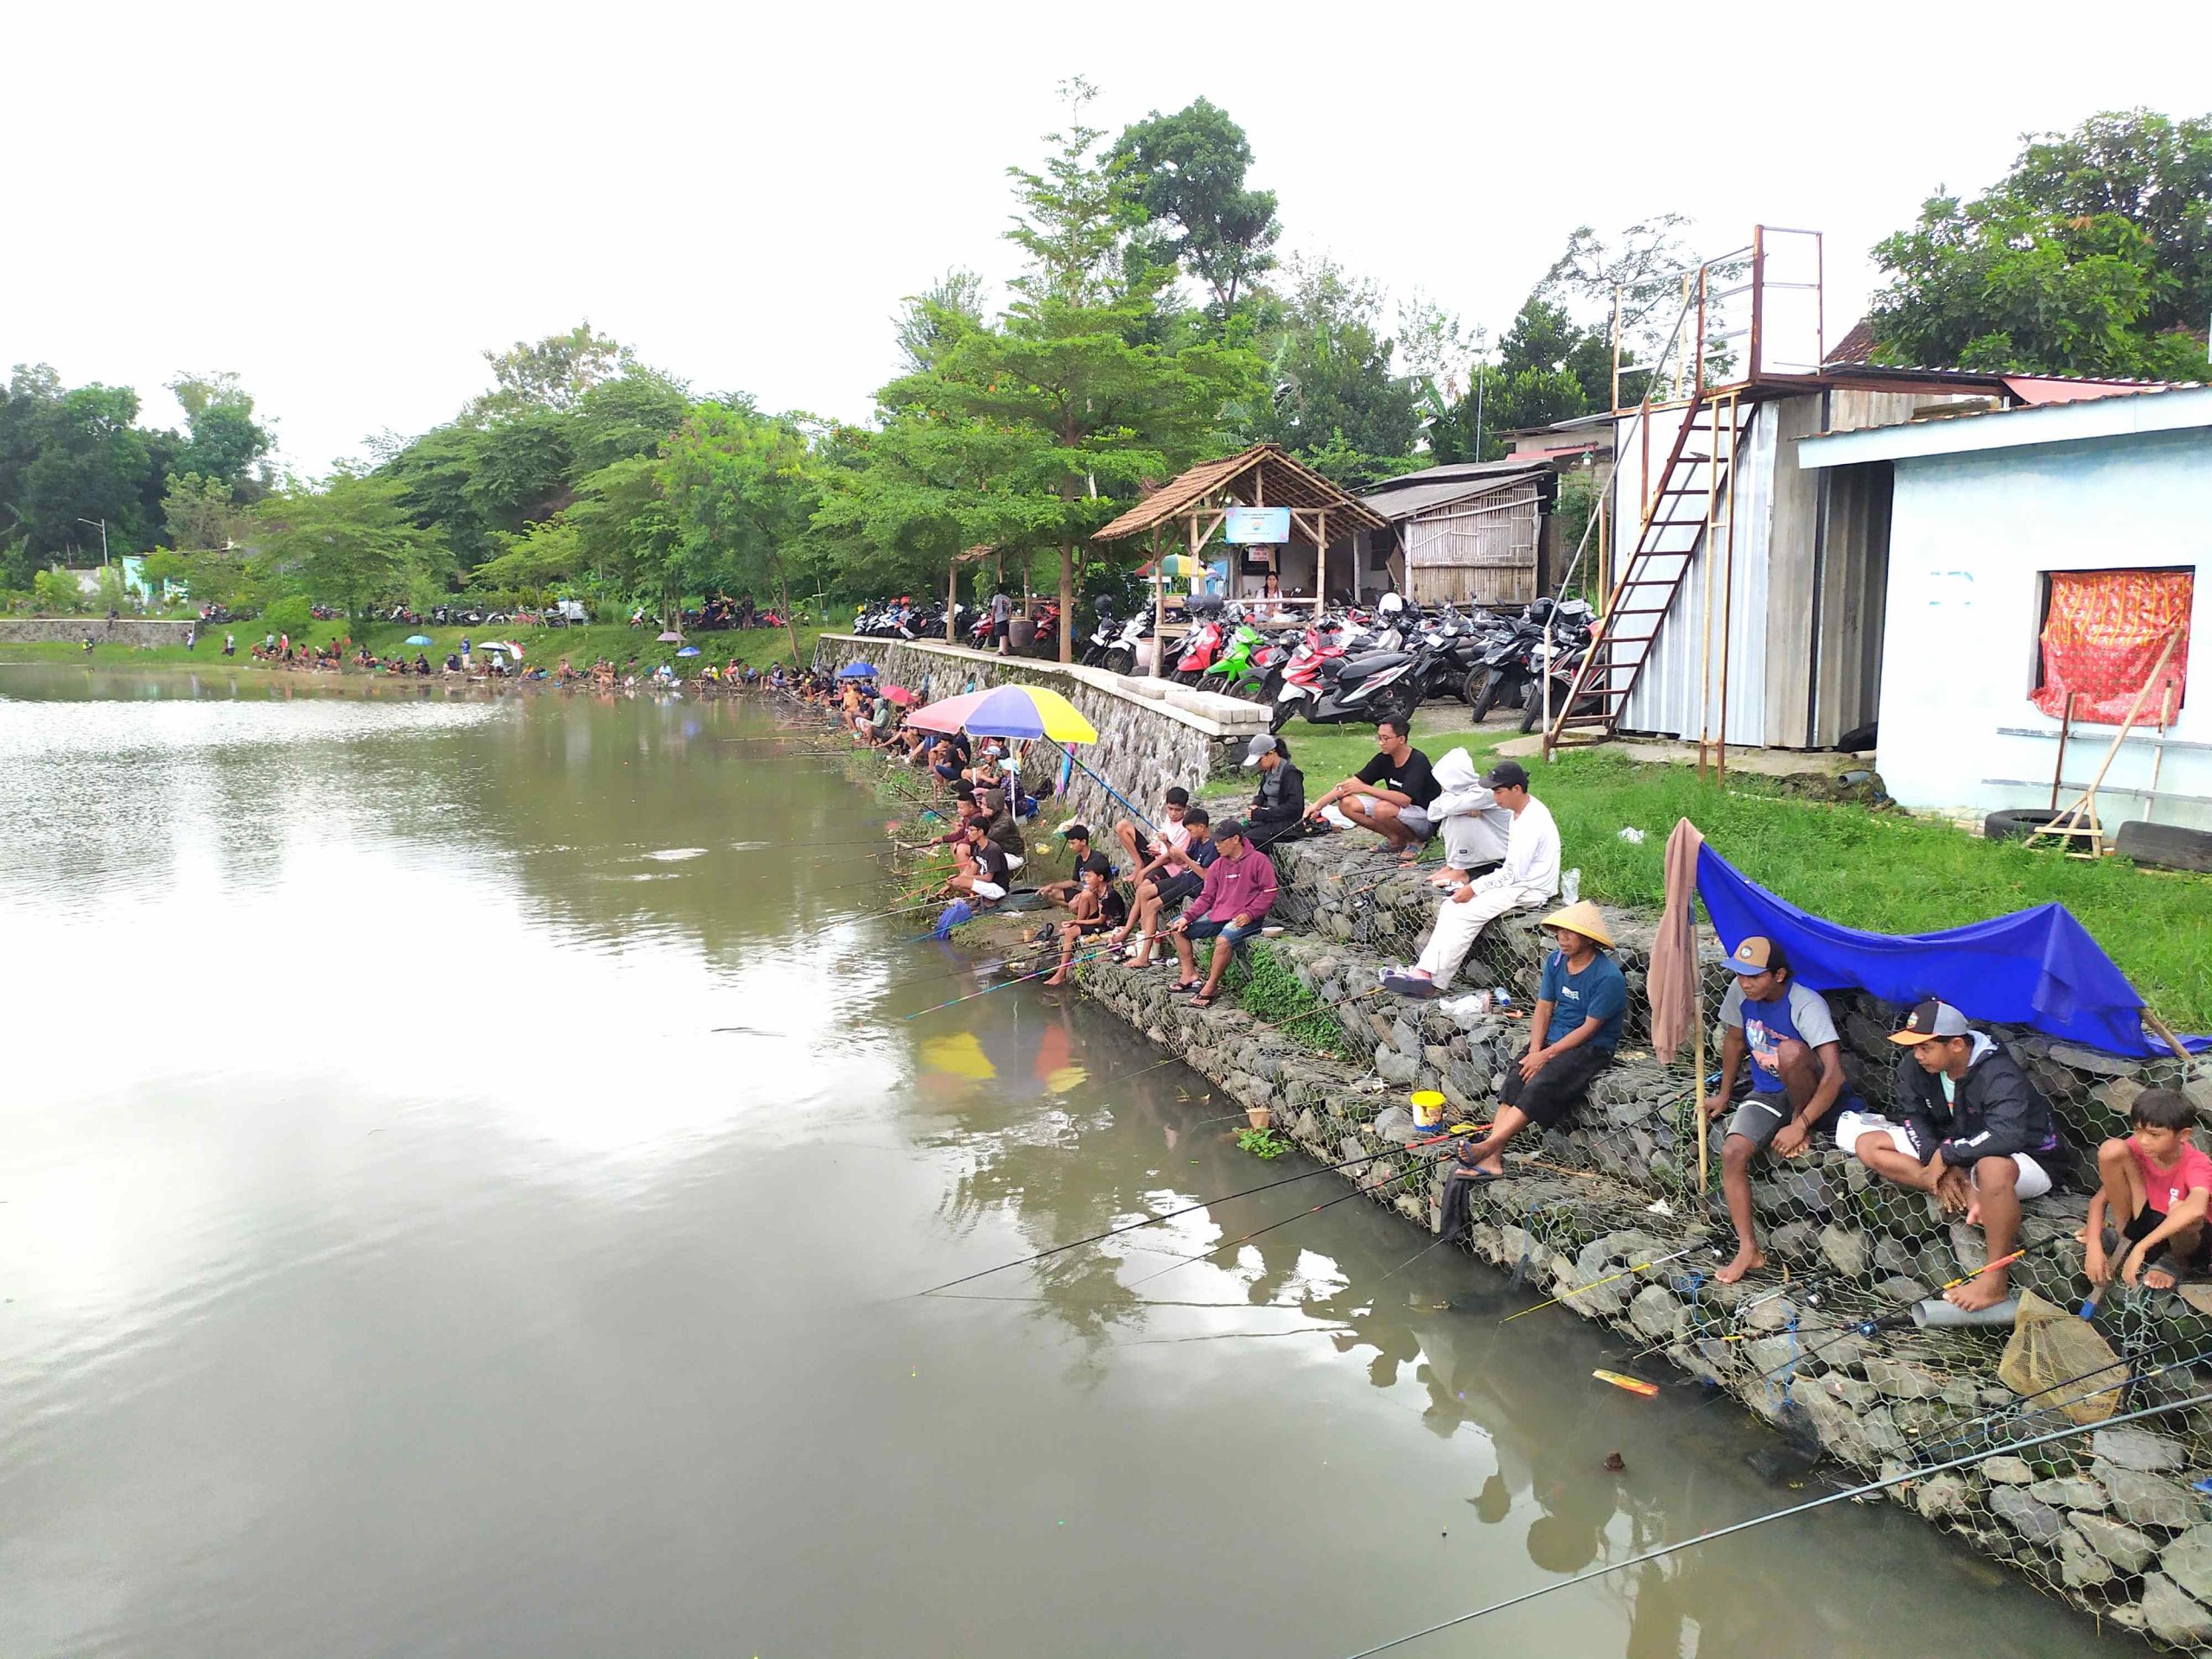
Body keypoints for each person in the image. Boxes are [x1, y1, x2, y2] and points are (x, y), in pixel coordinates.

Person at [1840, 998, 2074, 1312]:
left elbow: (2008, 1135)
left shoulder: (1998, 1073)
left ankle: (1994, 1280)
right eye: (1915, 1048)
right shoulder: (1915, 1067)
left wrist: (1949, 1154)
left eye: (1926, 1047)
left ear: (1957, 1045)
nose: (1917, 1056)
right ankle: (1939, 1183)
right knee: (1868, 1144)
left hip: (2026, 1158)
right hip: (1957, 1151)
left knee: (1992, 1168)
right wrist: (1938, 1163)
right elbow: (1913, 1116)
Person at [1700, 937, 1857, 1284]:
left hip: (1813, 1096)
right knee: (1732, 1151)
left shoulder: (1805, 1003)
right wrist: (1724, 1095)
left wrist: (1800, 1123)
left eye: (1755, 976)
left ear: (1780, 974)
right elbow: (1735, 1041)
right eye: (1741, 974)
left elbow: (1834, 1073)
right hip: (1769, 1092)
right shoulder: (1741, 994)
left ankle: (1802, 1128)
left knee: (1789, 1052)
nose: (1745, 982)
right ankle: (1748, 1249)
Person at [1441, 902, 1624, 1180]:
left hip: (1590, 1047)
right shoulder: (1555, 961)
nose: (1562, 938)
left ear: (1588, 938)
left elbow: (1589, 1028)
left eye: (1570, 933)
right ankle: (1492, 1157)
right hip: (1551, 1039)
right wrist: (1536, 1049)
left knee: (1540, 1084)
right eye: (1559, 932)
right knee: (1516, 1079)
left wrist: (1546, 1056)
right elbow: (1544, 1006)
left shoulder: (1607, 977)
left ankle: (1489, 1147)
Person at [1380, 760, 1559, 997]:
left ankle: (1432, 982)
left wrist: (1474, 888)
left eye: (1498, 791)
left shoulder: (1531, 820)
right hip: (1518, 882)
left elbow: (1513, 874)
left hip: (1530, 887)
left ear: (1517, 789)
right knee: (1450, 906)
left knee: (1464, 912)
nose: (1494, 797)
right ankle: (1423, 972)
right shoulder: (1519, 811)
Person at [2084, 1090, 2212, 1292]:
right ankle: (2123, 1235)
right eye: (2137, 1130)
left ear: (2184, 1135)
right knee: (2112, 1148)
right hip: (2145, 1220)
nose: (2143, 1140)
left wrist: (2141, 1249)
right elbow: (2098, 1200)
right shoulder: (2135, 1149)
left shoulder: (2197, 1163)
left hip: (2187, 1243)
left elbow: (2196, 1209)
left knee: (2181, 1208)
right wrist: (2093, 1245)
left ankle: (2175, 1262)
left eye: (2154, 1135)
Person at [1166, 818, 1276, 1008]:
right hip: (1219, 914)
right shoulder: (1217, 865)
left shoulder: (1259, 860)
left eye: (1221, 841)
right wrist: (1187, 916)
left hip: (1247, 919)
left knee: (1223, 940)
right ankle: (1189, 975)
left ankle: (1211, 986)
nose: (1216, 845)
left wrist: (1250, 914)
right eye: (1215, 841)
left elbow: (1269, 893)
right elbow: (1206, 897)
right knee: (1176, 926)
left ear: (1236, 839)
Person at [1305, 717, 1440, 861]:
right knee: (1347, 804)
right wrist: (1317, 805)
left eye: (1386, 738)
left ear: (1401, 739)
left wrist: (1364, 788)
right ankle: (1396, 839)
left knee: (1382, 809)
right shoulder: (1384, 758)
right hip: (1398, 810)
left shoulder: (1417, 761)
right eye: (1379, 737)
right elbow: (1348, 784)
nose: (1380, 743)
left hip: (1425, 817)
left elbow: (1405, 800)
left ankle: (1415, 841)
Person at [1118, 805, 1216, 968]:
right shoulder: (1198, 842)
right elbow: (1179, 862)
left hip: (1194, 884)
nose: (1189, 834)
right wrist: (1168, 844)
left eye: (1191, 831)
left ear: (1201, 827)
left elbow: (1205, 875)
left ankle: (1145, 956)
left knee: (1152, 905)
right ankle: (1142, 942)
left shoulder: (1212, 846)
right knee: (1144, 891)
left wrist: (1184, 856)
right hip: (1184, 877)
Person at [1423, 748, 1512, 889]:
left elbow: (1448, 808)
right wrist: (1449, 796)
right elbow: (1432, 814)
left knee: (1458, 816)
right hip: (1485, 850)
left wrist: (1450, 798)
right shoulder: (1459, 794)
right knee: (1457, 813)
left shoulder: (1483, 793)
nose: (1442, 786)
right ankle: (1453, 866)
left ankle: (1461, 870)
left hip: (1500, 851)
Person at [1043, 866, 1116, 987]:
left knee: (1071, 932)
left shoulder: (1109, 896)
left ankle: (1061, 974)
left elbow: (1100, 921)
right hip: (1099, 920)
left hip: (1108, 926)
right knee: (1085, 894)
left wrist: (1075, 923)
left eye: (1089, 877)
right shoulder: (1097, 891)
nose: (1086, 880)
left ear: (1100, 877)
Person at [1240, 735, 1307, 849]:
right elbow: (1262, 794)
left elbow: (1295, 807)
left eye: (1260, 760)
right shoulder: (1268, 772)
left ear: (1271, 753)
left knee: (1245, 842)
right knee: (1232, 835)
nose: (1258, 765)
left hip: (1285, 825)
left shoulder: (1290, 774)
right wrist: (1256, 804)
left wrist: (1264, 814)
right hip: (1266, 820)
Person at [1114, 787, 1190, 875]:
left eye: (1178, 810)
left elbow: (1169, 858)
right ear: (1166, 806)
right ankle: (1139, 864)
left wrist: (1143, 872)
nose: (1173, 813)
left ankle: (1142, 870)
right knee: (1122, 826)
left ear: (1184, 809)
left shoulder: (1184, 829)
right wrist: (1157, 846)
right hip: (1155, 855)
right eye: (1170, 809)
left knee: (1144, 885)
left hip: (1165, 865)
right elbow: (1162, 842)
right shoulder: (1168, 820)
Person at [1038, 823, 1111, 908]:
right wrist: (1051, 885)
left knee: (1074, 904)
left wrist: (1089, 895)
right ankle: (1078, 907)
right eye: (1069, 843)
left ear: (1083, 842)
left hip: (1094, 896)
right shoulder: (1079, 859)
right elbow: (1074, 882)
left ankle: (1085, 911)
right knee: (1051, 894)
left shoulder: (1098, 859)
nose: (1070, 847)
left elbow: (1109, 883)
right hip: (1083, 892)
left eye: (1073, 843)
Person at [947, 817, 1012, 906]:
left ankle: (985, 899)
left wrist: (965, 878)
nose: (968, 833)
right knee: (953, 880)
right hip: (987, 885)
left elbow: (988, 878)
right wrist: (950, 885)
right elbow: (971, 868)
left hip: (998, 888)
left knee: (959, 881)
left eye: (971, 830)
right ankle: (980, 898)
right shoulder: (978, 848)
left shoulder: (993, 849)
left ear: (980, 832)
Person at [990, 588, 1013, 655]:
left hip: (999, 618)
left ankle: (1005, 651)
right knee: (1003, 634)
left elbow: (994, 607)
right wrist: (1009, 617)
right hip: (1005, 617)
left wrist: (992, 617)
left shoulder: (996, 597)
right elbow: (1010, 609)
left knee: (1003, 635)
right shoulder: (1008, 599)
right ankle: (1001, 649)